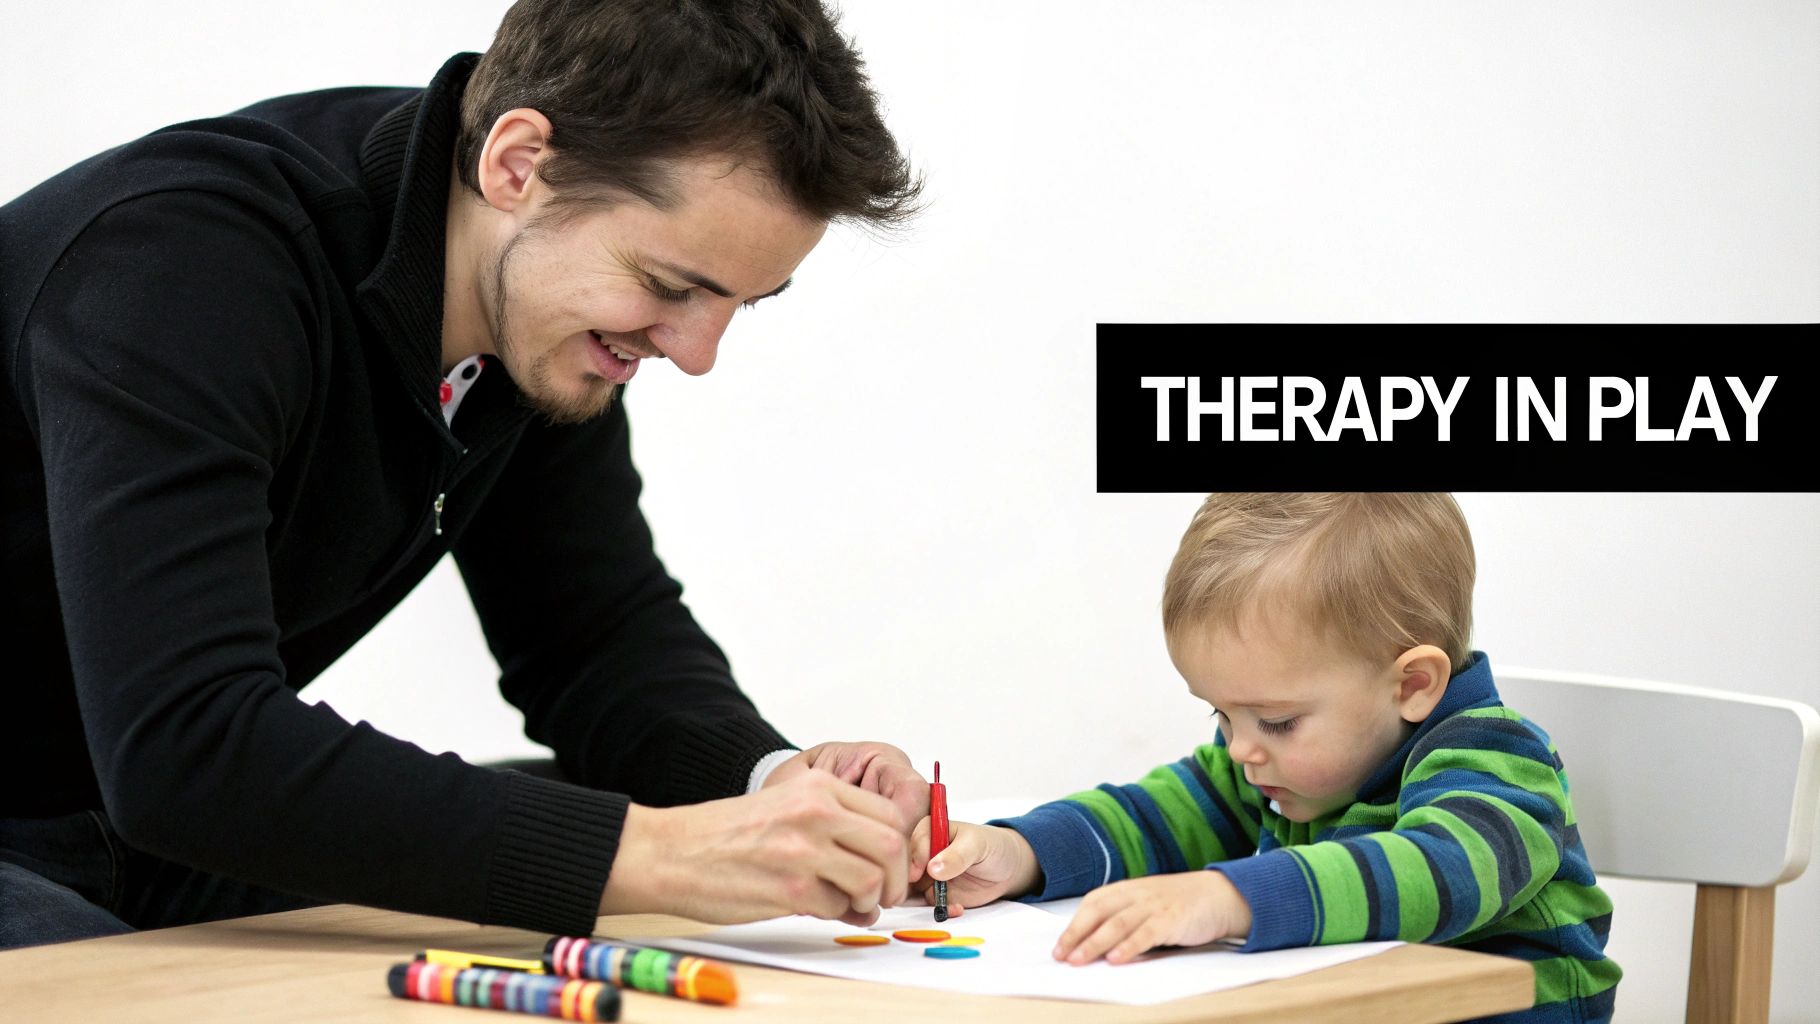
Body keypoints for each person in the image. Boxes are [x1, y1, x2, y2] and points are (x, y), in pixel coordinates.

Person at [0, 0, 926, 951]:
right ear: (518, 164)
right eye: (671, 286)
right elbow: (187, 749)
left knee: (609, 843)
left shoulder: (534, 324)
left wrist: (777, 788)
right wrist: (662, 855)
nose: (696, 353)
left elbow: (594, 642)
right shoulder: (182, 263)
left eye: (744, 303)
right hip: (84, 817)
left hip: (146, 828)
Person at [911, 493, 1622, 1023]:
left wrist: (1230, 899)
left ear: (1412, 685)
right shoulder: (1271, 769)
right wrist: (1019, 851)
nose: (1240, 747)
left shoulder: (1495, 758)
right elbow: (1150, 816)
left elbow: (1437, 873)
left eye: (1277, 720)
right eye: (1222, 713)